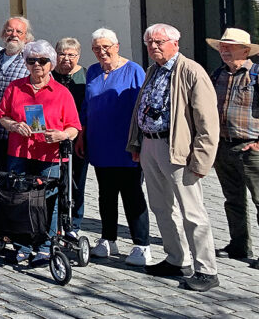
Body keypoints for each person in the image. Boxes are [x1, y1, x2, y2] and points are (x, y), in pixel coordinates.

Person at [127, 23, 220, 291]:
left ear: (175, 43)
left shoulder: (191, 71)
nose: (153, 47)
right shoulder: (152, 71)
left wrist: (202, 159)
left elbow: (207, 121)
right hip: (150, 146)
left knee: (193, 213)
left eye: (159, 42)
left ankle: (206, 269)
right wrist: (136, 143)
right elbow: (142, 108)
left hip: (178, 149)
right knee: (161, 207)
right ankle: (177, 258)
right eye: (150, 43)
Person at [0, 40, 82, 263]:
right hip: (19, 151)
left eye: (43, 61)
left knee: (49, 200)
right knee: (20, 198)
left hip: (49, 154)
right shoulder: (15, 87)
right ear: (25, 63)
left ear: (51, 64)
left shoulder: (62, 93)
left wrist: (62, 135)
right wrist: (13, 125)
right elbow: (2, 116)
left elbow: (74, 127)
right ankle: (22, 243)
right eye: (32, 60)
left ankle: (46, 244)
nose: (37, 65)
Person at [84, 27, 151, 266]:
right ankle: (107, 238)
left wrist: (139, 143)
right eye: (97, 48)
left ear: (117, 47)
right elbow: (86, 107)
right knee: (106, 194)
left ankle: (141, 244)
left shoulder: (134, 71)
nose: (102, 52)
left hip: (126, 145)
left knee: (132, 195)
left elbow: (144, 108)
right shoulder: (92, 71)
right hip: (100, 144)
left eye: (106, 47)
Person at [207, 28, 259, 269]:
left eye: (229, 46)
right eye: (222, 47)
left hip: (251, 148)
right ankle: (239, 245)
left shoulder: (257, 74)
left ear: (245, 51)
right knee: (232, 199)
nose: (224, 50)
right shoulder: (218, 74)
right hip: (222, 146)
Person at [52, 37, 87, 235]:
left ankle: (75, 222)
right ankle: (55, 218)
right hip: (54, 136)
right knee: (55, 178)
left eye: (71, 54)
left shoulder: (85, 75)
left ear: (78, 56)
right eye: (62, 54)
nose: (66, 58)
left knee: (77, 180)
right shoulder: (49, 75)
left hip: (78, 135)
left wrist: (81, 134)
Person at [0, 17, 34, 167]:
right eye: (9, 30)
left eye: (19, 31)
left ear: (26, 38)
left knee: (16, 181)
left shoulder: (32, 62)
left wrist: (36, 130)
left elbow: (40, 95)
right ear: (2, 34)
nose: (13, 34)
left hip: (19, 133)